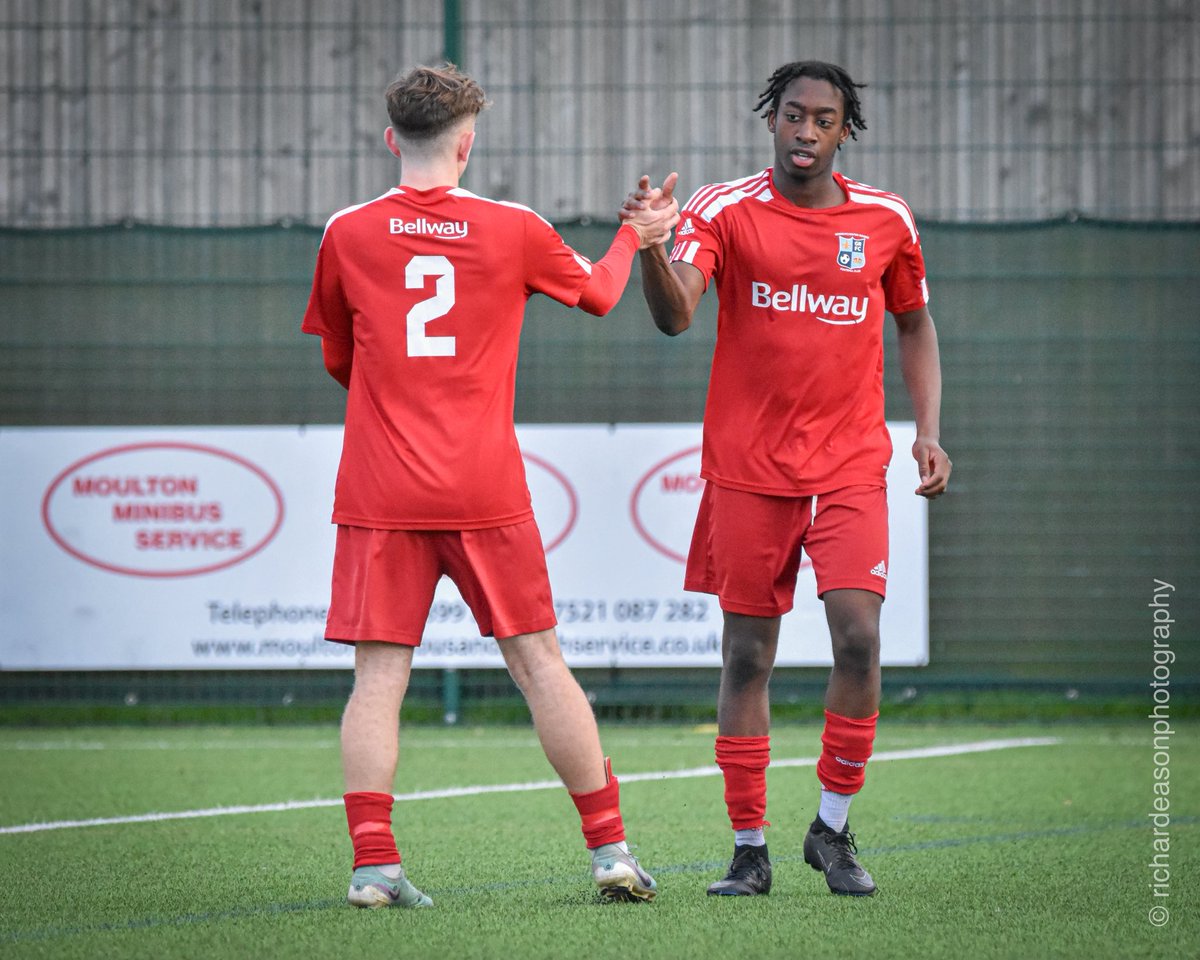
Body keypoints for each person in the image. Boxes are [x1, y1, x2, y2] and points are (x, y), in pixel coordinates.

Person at [301, 63, 678, 908]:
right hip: (483, 488)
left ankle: (373, 868)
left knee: (377, 678)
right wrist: (637, 237)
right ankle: (612, 853)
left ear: (393, 138)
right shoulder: (512, 227)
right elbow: (604, 295)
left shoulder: (346, 232)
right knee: (540, 664)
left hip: (380, 490)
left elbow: (338, 357)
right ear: (467, 144)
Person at [624, 60, 951, 897]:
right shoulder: (722, 209)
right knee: (746, 658)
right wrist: (653, 250)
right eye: (794, 115)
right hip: (749, 472)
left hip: (847, 465)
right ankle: (748, 849)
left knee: (860, 640)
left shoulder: (885, 221)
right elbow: (676, 314)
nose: (806, 131)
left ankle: (832, 832)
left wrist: (928, 432)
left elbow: (913, 324)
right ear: (771, 119)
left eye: (825, 119)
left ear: (846, 131)